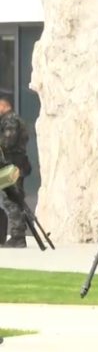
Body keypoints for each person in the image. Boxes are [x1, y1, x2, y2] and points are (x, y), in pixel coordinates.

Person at [0, 93, 32, 248]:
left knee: (11, 199)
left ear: (4, 106)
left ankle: (18, 236)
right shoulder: (13, 120)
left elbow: (8, 143)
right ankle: (18, 234)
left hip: (12, 166)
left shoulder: (11, 120)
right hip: (13, 165)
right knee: (15, 199)